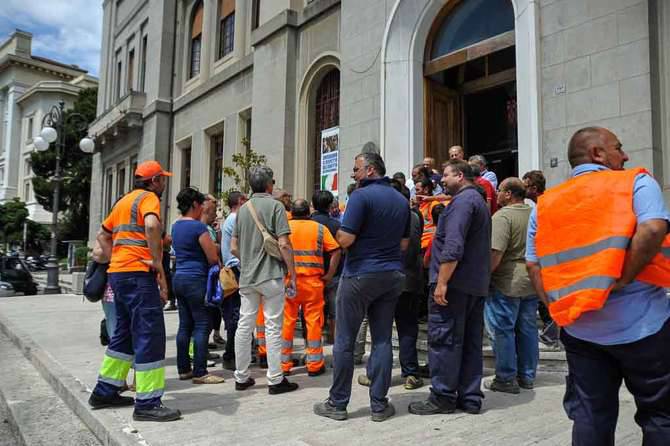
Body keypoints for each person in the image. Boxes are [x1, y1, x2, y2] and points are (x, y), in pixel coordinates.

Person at [526, 127, 670, 446]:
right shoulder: (635, 182)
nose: (626, 154)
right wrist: (624, 278)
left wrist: (555, 309)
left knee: (590, 415)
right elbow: (653, 227)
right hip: (644, 326)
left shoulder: (545, 204)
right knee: (660, 415)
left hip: (581, 330)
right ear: (597, 154)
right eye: (619, 147)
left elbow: (534, 264)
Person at [314, 152, 409, 423]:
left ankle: (338, 403)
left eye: (356, 169)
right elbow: (403, 244)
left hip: (359, 274)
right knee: (381, 340)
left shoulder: (360, 196)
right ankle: (379, 405)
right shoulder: (402, 200)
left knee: (344, 340)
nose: (353, 174)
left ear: (369, 170)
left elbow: (345, 239)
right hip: (391, 274)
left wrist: (336, 234)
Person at [88, 160, 180, 422]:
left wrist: (114, 257)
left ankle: (105, 391)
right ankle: (148, 403)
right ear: (153, 181)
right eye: (162, 179)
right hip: (139, 274)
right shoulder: (148, 199)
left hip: (118, 274)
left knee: (125, 334)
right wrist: (156, 261)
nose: (163, 184)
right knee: (150, 334)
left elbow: (103, 235)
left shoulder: (122, 202)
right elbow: (152, 226)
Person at [409, 159, 491, 416]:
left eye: (445, 175)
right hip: (474, 285)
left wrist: (442, 282)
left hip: (454, 285)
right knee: (469, 343)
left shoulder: (462, 203)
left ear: (460, 175)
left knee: (445, 340)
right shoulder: (477, 202)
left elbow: (453, 246)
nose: (441, 181)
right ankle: (469, 397)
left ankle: (442, 396)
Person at [231, 166, 300, 394]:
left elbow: (233, 247)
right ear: (269, 184)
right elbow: (283, 243)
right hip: (271, 275)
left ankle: (241, 377)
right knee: (272, 326)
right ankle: (275, 379)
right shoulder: (276, 206)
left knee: (245, 325)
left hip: (248, 277)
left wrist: (248, 261)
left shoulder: (242, 210)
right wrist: (291, 272)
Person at [358, 181, 424, 390]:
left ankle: (376, 374)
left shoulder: (388, 215)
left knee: (382, 330)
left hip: (389, 278)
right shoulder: (413, 216)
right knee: (406, 328)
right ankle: (410, 373)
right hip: (408, 279)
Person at [484, 178, 538, 394]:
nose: (496, 194)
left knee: (502, 330)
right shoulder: (534, 214)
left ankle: (506, 378)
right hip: (530, 280)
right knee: (527, 329)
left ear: (508, 194)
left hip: (507, 282)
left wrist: (485, 275)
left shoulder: (503, 216)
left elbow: (495, 252)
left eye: (499, 190)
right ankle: (526, 375)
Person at [282, 199, 341, 376]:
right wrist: (330, 274)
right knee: (314, 321)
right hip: (313, 283)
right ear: (308, 211)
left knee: (287, 321)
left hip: (289, 282)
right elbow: (336, 250)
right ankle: (314, 365)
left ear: (292, 212)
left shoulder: (284, 229)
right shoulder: (319, 228)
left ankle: (284, 364)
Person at [171, 188, 224, 385]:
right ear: (194, 204)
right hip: (196, 279)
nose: (203, 207)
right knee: (202, 324)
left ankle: (183, 368)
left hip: (179, 278)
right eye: (201, 203)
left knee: (185, 325)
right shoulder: (198, 228)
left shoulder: (176, 226)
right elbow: (211, 256)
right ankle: (200, 371)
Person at [522, 170, 558, 348]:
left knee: (547, 303)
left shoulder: (543, 207)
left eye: (525, 186)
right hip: (547, 262)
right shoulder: (543, 205)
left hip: (547, 264)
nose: (522, 189)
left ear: (534, 188)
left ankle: (552, 336)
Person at [311, 190, 343, 344]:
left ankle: (314, 341)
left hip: (311, 274)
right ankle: (334, 340)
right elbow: (341, 249)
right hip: (334, 273)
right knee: (335, 311)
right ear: (330, 206)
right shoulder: (336, 225)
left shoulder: (307, 224)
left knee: (312, 312)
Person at [220, 191, 247, 370]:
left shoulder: (229, 219)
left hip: (232, 268)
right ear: (239, 201)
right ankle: (231, 354)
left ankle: (233, 353)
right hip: (236, 269)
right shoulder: (235, 219)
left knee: (235, 313)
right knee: (236, 314)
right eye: (245, 199)